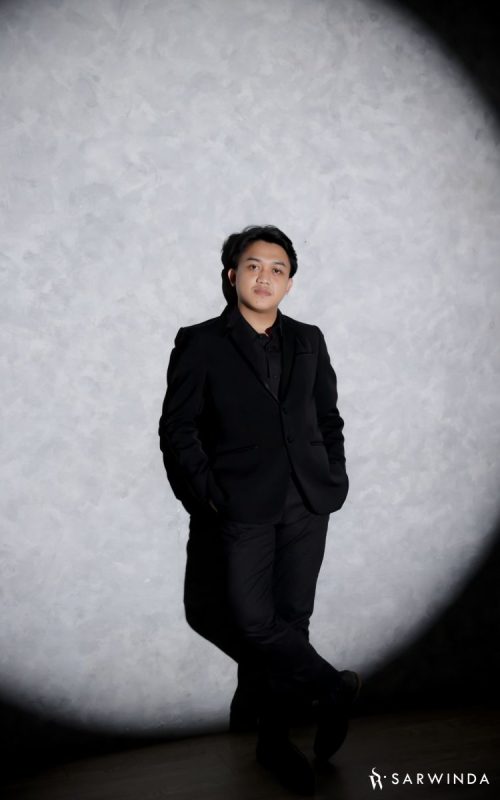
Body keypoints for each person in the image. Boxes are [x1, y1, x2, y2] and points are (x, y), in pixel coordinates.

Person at [158, 225, 360, 795]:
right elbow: (178, 430)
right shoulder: (200, 342)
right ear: (232, 276)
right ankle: (332, 688)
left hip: (308, 501)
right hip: (239, 505)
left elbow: (328, 418)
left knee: (292, 619)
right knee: (247, 619)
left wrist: (334, 475)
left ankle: (273, 740)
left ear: (289, 281)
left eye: (277, 268)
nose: (264, 276)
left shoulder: (310, 339)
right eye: (253, 266)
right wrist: (209, 496)